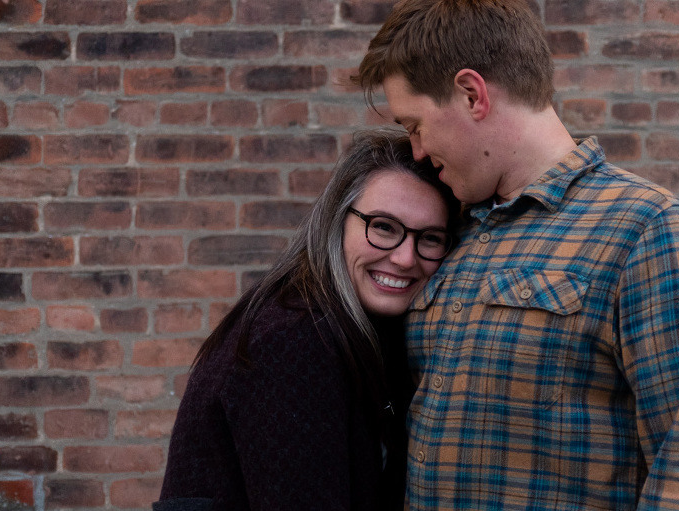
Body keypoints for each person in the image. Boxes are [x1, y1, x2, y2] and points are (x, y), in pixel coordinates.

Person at [353, 0, 679, 509]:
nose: (416, 150)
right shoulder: (447, 232)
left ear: (471, 94)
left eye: (415, 126)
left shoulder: (646, 230)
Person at [153, 130, 460, 510]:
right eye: (383, 227)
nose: (404, 257)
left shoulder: (359, 333)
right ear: (337, 220)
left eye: (430, 238)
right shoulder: (295, 340)